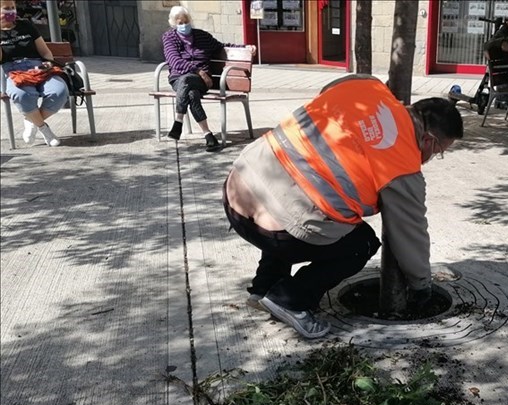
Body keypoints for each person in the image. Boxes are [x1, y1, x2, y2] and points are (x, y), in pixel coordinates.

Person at [222, 75, 464, 339]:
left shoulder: (366, 87)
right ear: (428, 140)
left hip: (237, 191)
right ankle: (290, 299)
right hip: (279, 233)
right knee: (360, 244)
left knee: (297, 198)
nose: (433, 157)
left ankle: (263, 287)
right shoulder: (403, 164)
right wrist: (421, 286)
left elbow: (329, 89)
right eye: (440, 151)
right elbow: (410, 231)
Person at [162, 6, 255, 152]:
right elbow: (175, 62)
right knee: (191, 92)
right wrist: (199, 71)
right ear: (174, 24)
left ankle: (178, 121)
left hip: (202, 82)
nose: (184, 25)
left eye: (186, 21)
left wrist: (246, 47)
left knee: (188, 82)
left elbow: (223, 46)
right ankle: (209, 136)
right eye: (180, 23)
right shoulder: (169, 37)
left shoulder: (202, 36)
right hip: (178, 79)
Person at [0, 0, 69, 147]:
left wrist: (48, 63)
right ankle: (45, 130)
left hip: (37, 66)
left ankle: (31, 119)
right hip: (12, 70)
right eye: (6, 9)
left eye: (13, 8)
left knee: (59, 92)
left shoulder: (26, 25)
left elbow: (44, 51)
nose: (11, 11)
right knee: (23, 95)